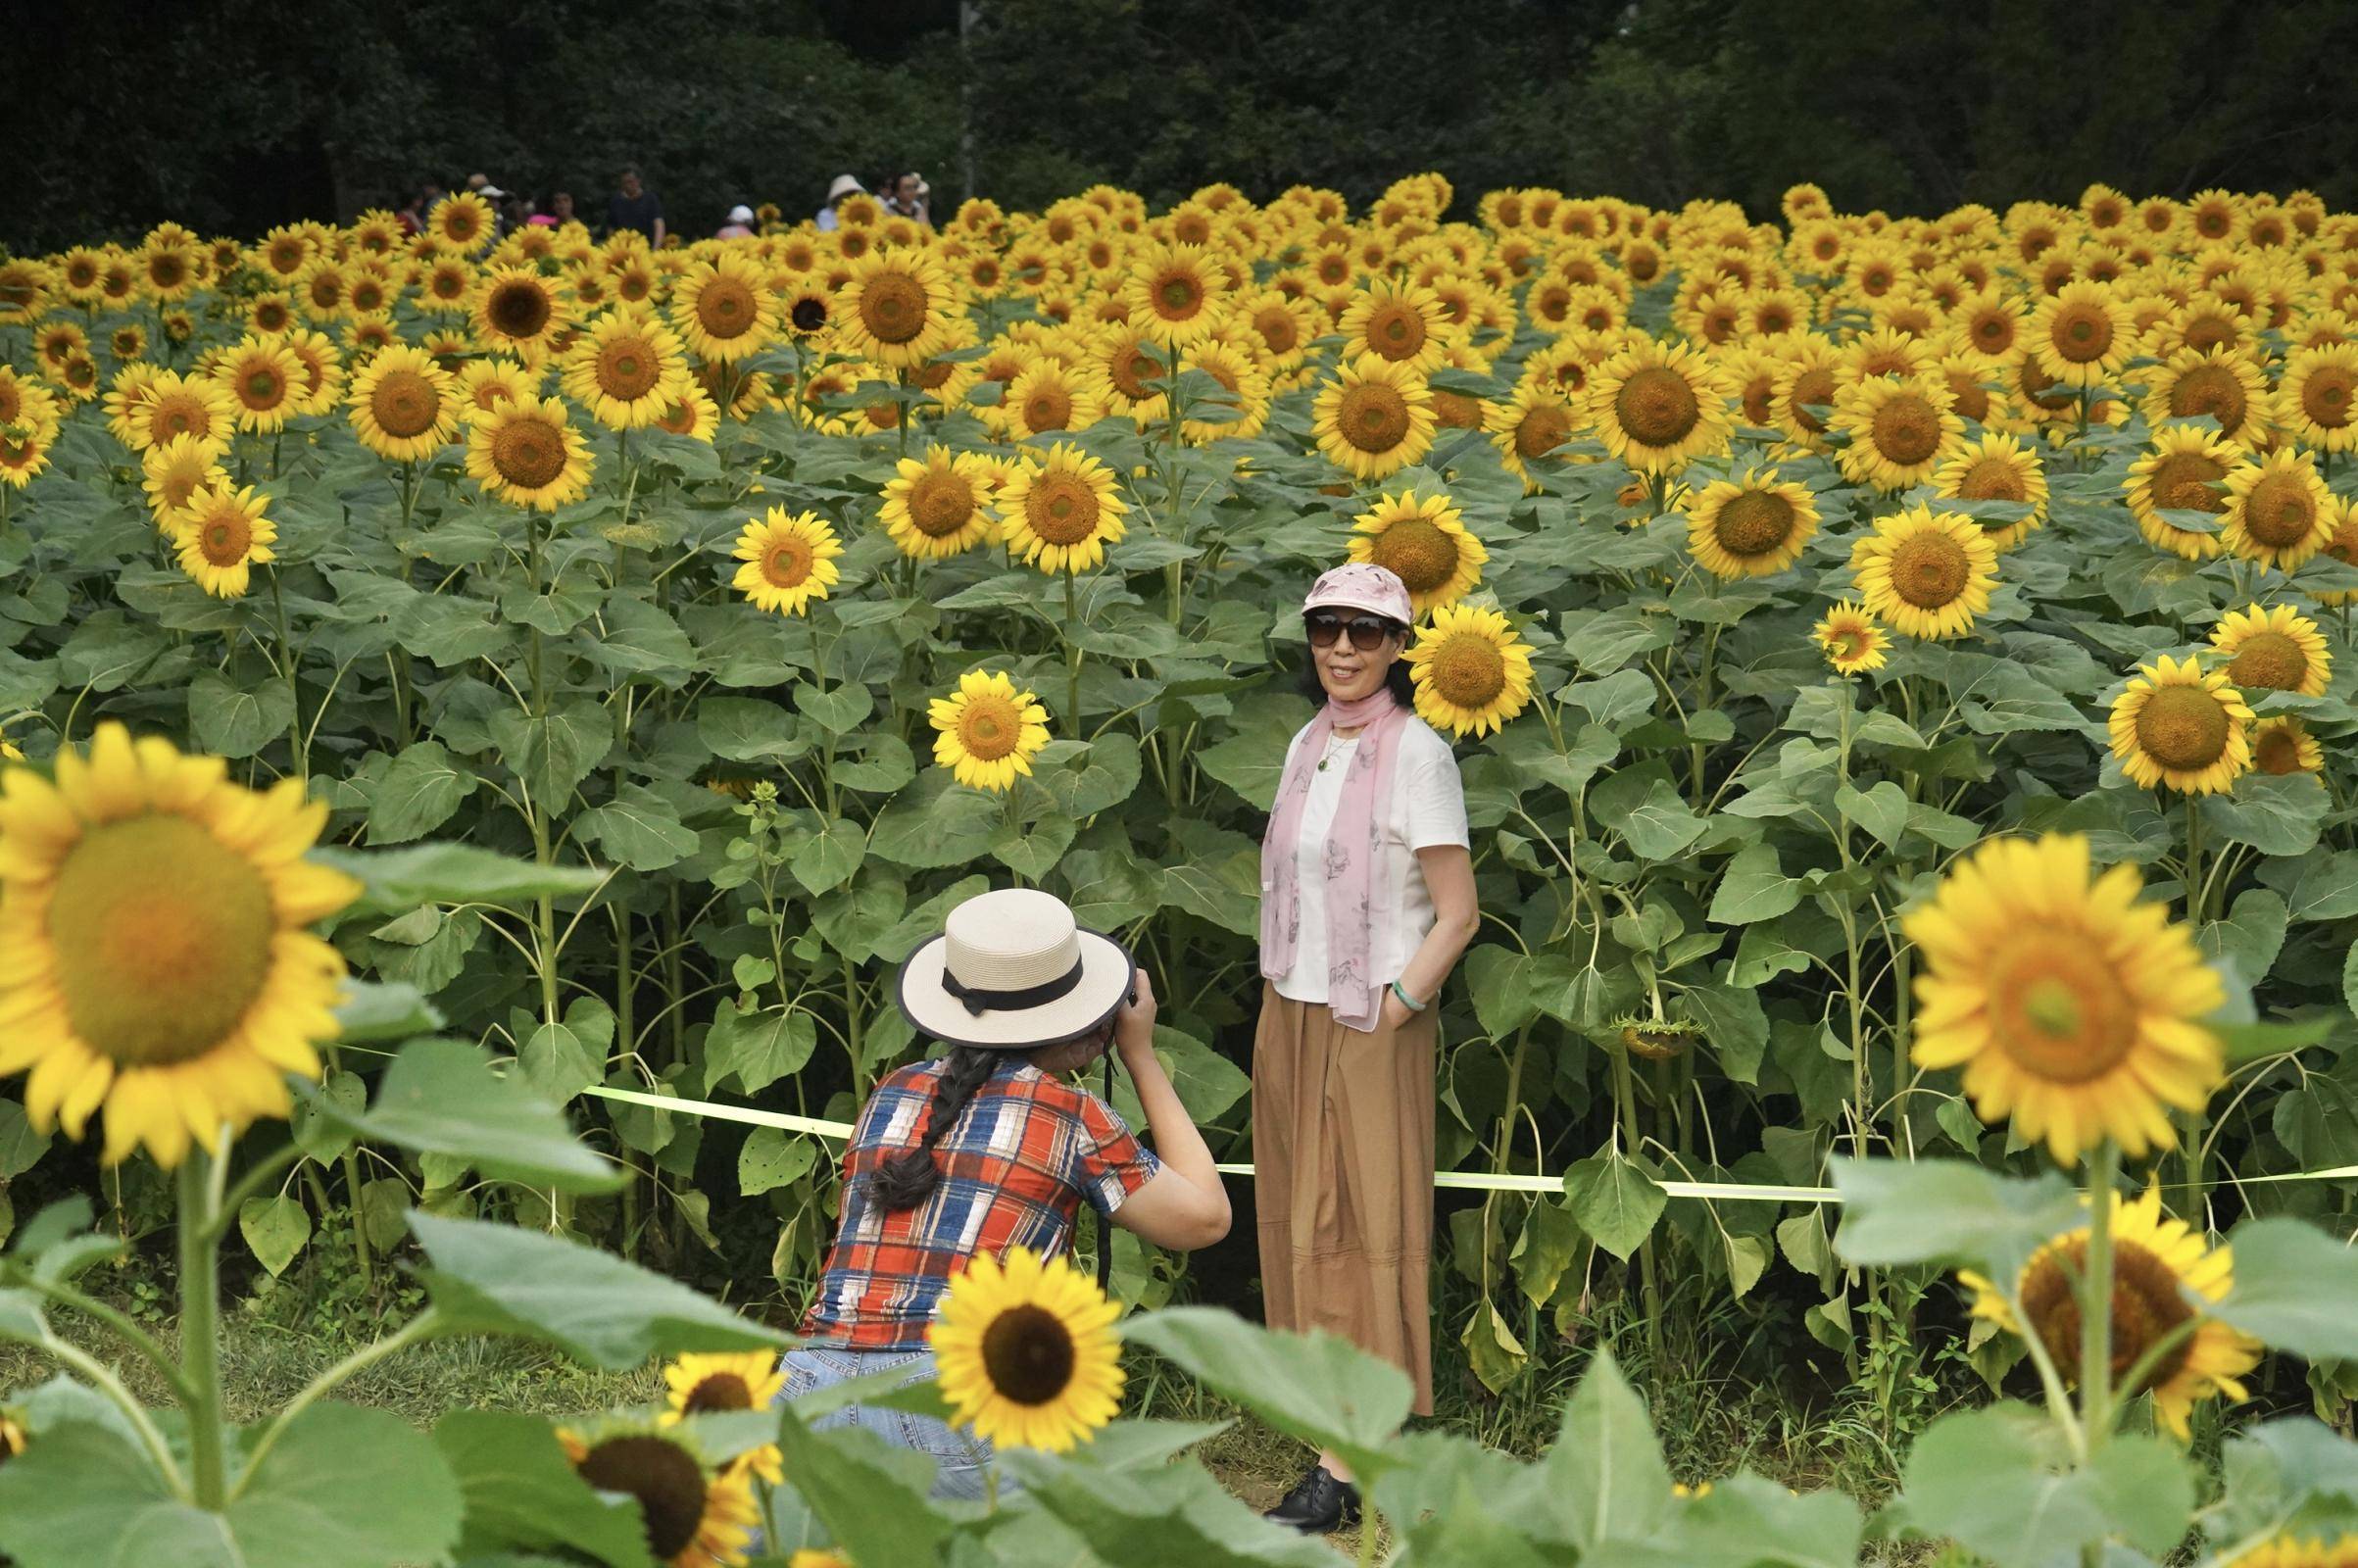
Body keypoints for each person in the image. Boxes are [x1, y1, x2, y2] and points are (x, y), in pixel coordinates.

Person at [779, 886, 1231, 1500]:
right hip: (961, 1397)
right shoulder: (1071, 1114)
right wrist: (1140, 1053)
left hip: (808, 1393)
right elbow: (1204, 1220)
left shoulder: (891, 1090)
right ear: (1086, 1026)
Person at [1253, 562, 1478, 1535]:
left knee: (1354, 1227)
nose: (1343, 647)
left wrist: (1397, 1005)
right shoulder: (1310, 741)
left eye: (1368, 631)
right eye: (1326, 627)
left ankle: (1346, 1466)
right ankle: (1329, 1431)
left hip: (1366, 1021)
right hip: (1292, 1009)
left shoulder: (1420, 754)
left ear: (1400, 646)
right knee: (1297, 1222)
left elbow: (1459, 914)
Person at [608, 166, 665, 246]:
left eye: (630, 182)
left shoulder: (650, 199)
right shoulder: (616, 201)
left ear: (638, 181)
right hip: (622, 249)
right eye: (624, 182)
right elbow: (611, 228)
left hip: (646, 249)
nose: (627, 186)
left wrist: (655, 249)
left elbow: (659, 225)